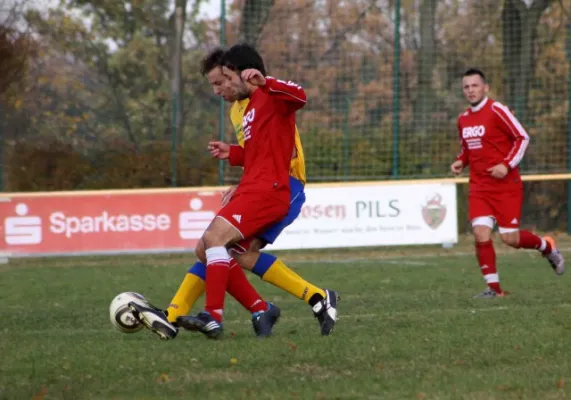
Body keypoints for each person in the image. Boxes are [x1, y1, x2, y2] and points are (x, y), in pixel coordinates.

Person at [130, 45, 337, 340]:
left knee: (222, 246)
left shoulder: (269, 95)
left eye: (222, 80)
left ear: (239, 74)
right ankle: (276, 305)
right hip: (258, 182)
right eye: (217, 82)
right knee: (222, 251)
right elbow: (258, 151)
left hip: (285, 183)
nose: (220, 88)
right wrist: (237, 156)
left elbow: (297, 102)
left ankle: (209, 314)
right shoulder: (241, 110)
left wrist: (267, 83)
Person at [450, 68, 564, 298]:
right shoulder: (463, 119)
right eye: (466, 87)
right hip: (480, 187)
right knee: (481, 233)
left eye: (475, 85)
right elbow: (467, 148)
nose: (471, 90)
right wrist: (461, 162)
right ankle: (494, 290)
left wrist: (506, 164)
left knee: (509, 238)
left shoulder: (497, 110)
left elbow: (522, 137)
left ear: (485, 87)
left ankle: (547, 247)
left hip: (506, 186)